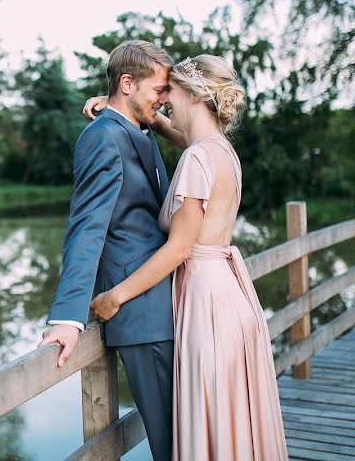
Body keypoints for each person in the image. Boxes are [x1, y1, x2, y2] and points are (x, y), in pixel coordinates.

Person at [88, 54, 288, 461]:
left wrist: (117, 296)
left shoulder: (198, 158)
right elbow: (185, 137)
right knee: (229, 419)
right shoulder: (219, 150)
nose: (163, 100)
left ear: (193, 95)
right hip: (230, 295)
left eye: (170, 90)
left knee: (210, 419)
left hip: (206, 302)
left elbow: (179, 249)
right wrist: (117, 110)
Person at [37, 40, 176, 461]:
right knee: (170, 442)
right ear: (128, 83)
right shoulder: (101, 138)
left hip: (165, 302)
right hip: (140, 314)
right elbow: (87, 227)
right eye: (159, 91)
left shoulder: (138, 130)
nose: (165, 100)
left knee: (183, 435)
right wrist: (68, 316)